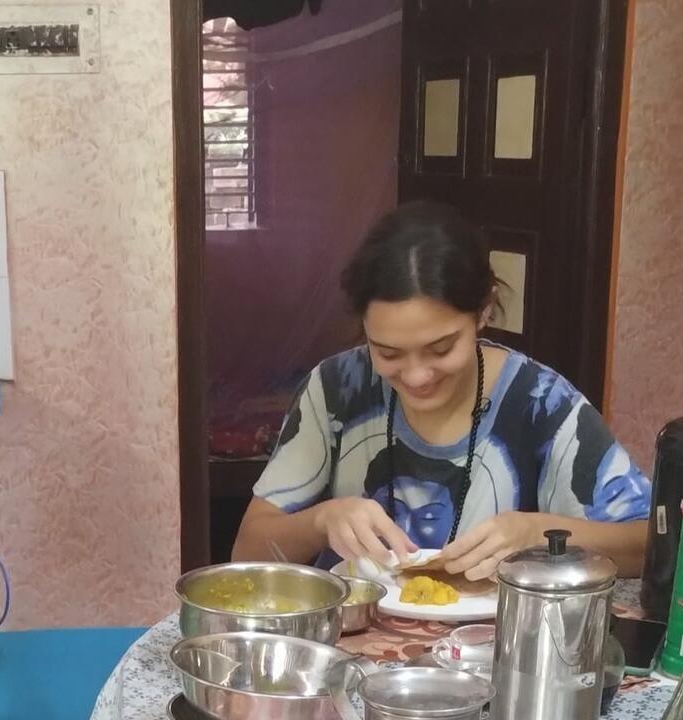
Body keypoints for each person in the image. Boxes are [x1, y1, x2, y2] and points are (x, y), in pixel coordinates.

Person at [232, 201, 651, 581]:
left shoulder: (541, 404)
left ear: (484, 311)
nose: (416, 377)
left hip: (491, 654)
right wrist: (322, 520)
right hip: (347, 647)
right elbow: (246, 554)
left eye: (441, 348)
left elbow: (648, 547)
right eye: (388, 352)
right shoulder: (336, 390)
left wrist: (537, 533)